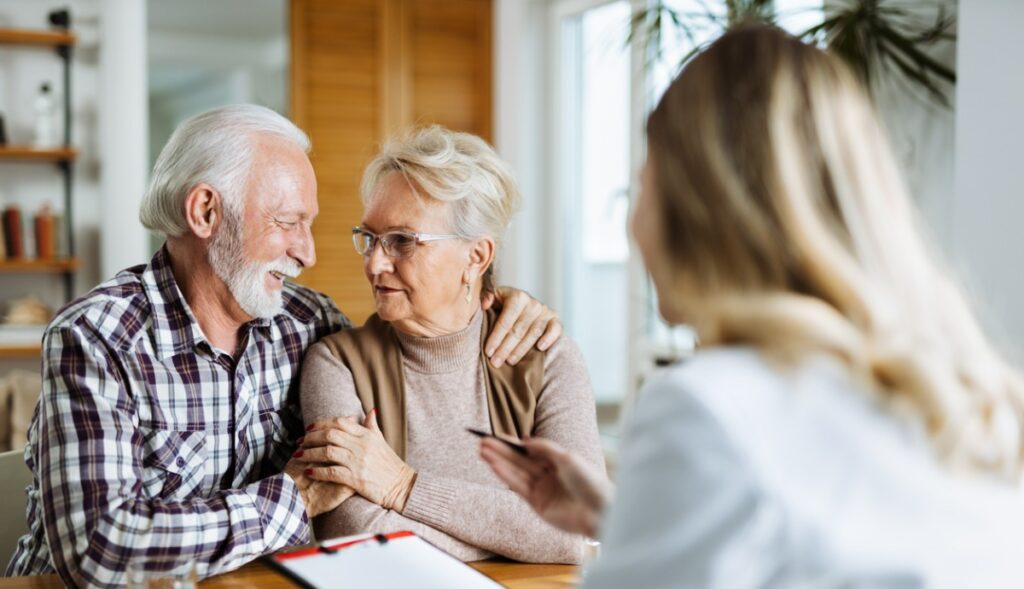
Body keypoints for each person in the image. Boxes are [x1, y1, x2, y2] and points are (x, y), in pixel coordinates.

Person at [481, 25, 1024, 588]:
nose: (632, 223)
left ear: (698, 207)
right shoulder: (971, 400)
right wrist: (621, 518)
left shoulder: (708, 410)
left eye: (645, 183)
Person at [5, 105, 561, 587]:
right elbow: (100, 553)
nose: (307, 253)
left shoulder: (309, 323)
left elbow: (421, 341)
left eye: (310, 225)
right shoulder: (97, 338)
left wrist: (491, 304)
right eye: (288, 222)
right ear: (205, 212)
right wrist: (291, 501)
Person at [295, 126, 605, 563]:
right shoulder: (337, 363)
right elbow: (352, 532)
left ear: (476, 257)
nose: (374, 262)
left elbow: (581, 527)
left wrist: (402, 486)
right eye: (369, 237)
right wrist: (521, 539)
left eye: (402, 241)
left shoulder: (547, 356)